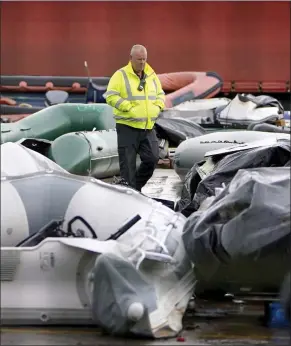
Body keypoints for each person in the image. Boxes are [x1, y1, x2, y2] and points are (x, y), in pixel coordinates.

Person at [104, 44, 165, 191]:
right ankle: (129, 196)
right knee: (128, 167)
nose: (142, 63)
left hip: (148, 127)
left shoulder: (151, 75)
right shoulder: (120, 75)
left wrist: (157, 107)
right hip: (127, 127)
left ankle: (134, 189)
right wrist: (129, 108)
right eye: (139, 59)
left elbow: (160, 94)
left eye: (144, 59)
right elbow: (110, 96)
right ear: (131, 58)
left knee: (152, 159)